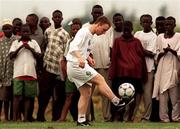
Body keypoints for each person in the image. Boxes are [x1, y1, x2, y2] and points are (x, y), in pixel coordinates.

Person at [66, 16, 130, 126]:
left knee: (86, 93)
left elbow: (82, 50)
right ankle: (117, 102)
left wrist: (88, 58)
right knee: (100, 79)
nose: (104, 33)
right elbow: (73, 47)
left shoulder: (90, 34)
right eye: (104, 29)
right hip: (76, 65)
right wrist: (80, 58)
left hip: (75, 65)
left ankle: (81, 120)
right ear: (98, 24)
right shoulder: (84, 32)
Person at [109, 21, 147, 122]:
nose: (126, 31)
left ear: (131, 29)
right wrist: (112, 73)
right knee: (119, 96)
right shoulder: (117, 41)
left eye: (128, 29)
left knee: (133, 97)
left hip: (135, 74)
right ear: (122, 30)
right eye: (124, 29)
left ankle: (130, 117)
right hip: (121, 74)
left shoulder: (137, 42)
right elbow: (114, 57)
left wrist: (144, 74)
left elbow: (142, 58)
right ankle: (118, 116)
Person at [37, 10, 70, 122]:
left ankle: (56, 117)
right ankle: (40, 117)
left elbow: (66, 51)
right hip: (48, 66)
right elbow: (46, 44)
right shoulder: (48, 31)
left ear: (62, 18)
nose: (56, 18)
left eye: (58, 17)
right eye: (55, 17)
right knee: (44, 94)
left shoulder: (65, 34)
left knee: (58, 96)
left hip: (59, 69)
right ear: (52, 18)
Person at [9, 24, 41, 121]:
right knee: (16, 96)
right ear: (20, 32)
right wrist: (21, 47)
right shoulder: (15, 43)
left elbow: (39, 56)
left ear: (30, 33)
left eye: (27, 32)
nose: (25, 33)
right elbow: (11, 56)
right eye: (24, 32)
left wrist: (30, 48)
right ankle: (15, 118)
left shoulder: (34, 43)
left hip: (31, 73)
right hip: (18, 73)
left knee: (28, 97)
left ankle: (26, 118)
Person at [152, 16, 180, 123]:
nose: (167, 26)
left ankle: (176, 118)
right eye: (166, 25)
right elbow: (157, 54)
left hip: (174, 67)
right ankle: (164, 118)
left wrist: (171, 51)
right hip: (162, 68)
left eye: (170, 24)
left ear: (174, 25)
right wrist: (163, 53)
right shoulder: (159, 37)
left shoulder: (178, 36)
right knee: (162, 95)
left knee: (175, 96)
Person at [134, 14, 157, 122]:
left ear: (151, 23)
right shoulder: (138, 34)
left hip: (148, 69)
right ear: (141, 23)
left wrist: (138, 49)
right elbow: (134, 50)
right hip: (137, 69)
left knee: (147, 94)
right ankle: (132, 116)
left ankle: (146, 117)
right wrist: (140, 50)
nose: (146, 24)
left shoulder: (154, 36)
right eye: (144, 22)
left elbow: (151, 53)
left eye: (148, 22)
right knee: (136, 94)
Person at [58, 18, 82, 122]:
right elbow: (65, 58)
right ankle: (62, 118)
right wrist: (65, 73)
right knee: (69, 96)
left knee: (83, 95)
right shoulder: (69, 42)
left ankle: (84, 118)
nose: (75, 31)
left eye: (77, 29)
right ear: (71, 30)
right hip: (71, 71)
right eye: (73, 29)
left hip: (82, 71)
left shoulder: (84, 41)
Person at [110, 13, 124, 121]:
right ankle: (113, 115)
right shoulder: (111, 33)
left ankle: (122, 116)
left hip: (125, 68)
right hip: (115, 67)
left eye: (120, 20)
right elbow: (111, 50)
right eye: (116, 20)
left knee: (123, 92)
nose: (118, 22)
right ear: (113, 22)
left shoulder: (128, 32)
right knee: (114, 91)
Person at [0, 19, 15, 121]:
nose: (7, 30)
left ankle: (13, 117)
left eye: (9, 28)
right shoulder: (0, 42)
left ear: (12, 29)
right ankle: (6, 117)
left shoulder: (16, 40)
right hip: (3, 73)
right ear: (2, 30)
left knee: (14, 97)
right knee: (5, 98)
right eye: (5, 28)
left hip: (14, 72)